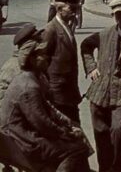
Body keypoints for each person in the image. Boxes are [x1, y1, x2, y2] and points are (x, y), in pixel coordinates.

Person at [0, 36, 91, 172]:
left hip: (20, 135)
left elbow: (47, 109)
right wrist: (66, 133)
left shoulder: (30, 77)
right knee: (77, 148)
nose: (47, 57)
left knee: (74, 138)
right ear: (31, 59)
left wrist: (67, 125)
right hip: (21, 140)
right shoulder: (28, 87)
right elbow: (42, 123)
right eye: (42, 55)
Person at [81, 0, 121, 172]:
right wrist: (91, 68)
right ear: (113, 15)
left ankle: (118, 167)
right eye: (117, 15)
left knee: (120, 131)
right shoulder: (105, 34)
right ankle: (105, 167)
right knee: (101, 133)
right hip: (100, 92)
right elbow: (86, 46)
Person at [41, 0, 82, 123]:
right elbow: (42, 61)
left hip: (69, 89)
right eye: (71, 9)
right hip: (57, 92)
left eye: (75, 10)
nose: (74, 13)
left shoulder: (67, 26)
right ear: (59, 9)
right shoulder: (50, 30)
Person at [0, 24, 44, 108]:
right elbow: (2, 98)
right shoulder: (11, 67)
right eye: (37, 40)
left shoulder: (33, 64)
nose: (41, 41)